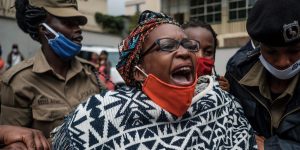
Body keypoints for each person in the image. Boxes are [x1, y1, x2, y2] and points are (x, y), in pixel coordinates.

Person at [51, 10, 256, 149]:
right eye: (167, 45)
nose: (185, 52)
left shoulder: (221, 104)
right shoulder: (100, 115)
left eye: (188, 45)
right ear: (139, 70)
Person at [0, 0, 103, 139]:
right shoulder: (18, 83)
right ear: (44, 30)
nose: (78, 29)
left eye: (77, 23)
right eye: (68, 23)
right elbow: (15, 142)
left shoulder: (90, 73)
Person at [225, 0, 300, 149]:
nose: (283, 62)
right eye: (272, 52)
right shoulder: (238, 74)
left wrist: (270, 147)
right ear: (259, 47)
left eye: (294, 51)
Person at [182, 20, 230, 91]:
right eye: (192, 48)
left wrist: (225, 93)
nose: (200, 56)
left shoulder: (218, 85)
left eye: (208, 52)